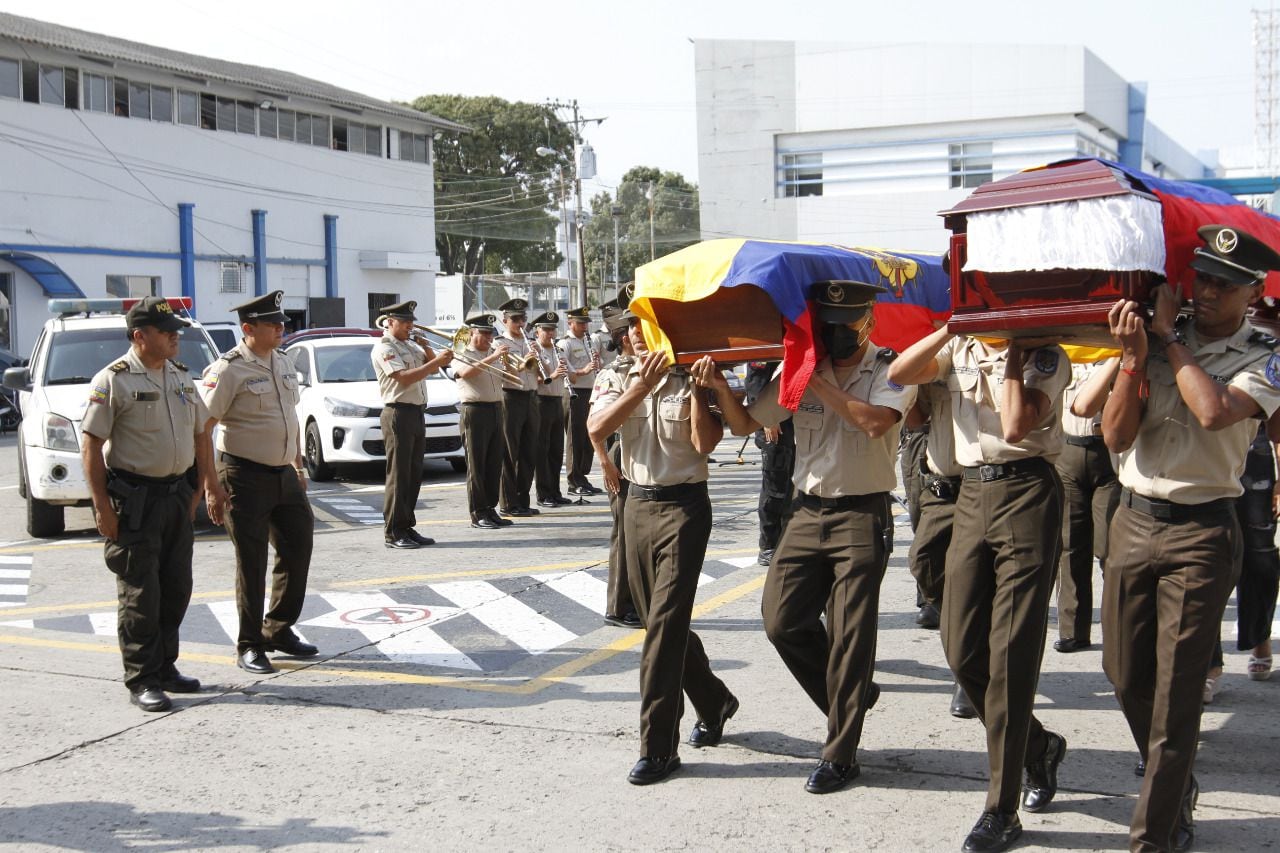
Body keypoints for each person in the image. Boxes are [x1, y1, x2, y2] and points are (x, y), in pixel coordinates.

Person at [1101, 224, 1280, 853]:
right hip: (1132, 519)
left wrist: (1171, 341)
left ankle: (1154, 835)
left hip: (1203, 531)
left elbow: (1212, 412)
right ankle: (1174, 784)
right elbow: (1115, 437)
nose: (1205, 291)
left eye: (1223, 284)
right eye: (1201, 276)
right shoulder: (1148, 342)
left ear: (1254, 292)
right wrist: (1131, 359)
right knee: (1124, 675)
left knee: (1178, 697)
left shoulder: (1265, 352)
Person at [700, 280, 913, 794]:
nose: (834, 336)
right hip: (806, 513)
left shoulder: (891, 368)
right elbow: (746, 423)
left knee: (849, 637)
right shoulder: (796, 368)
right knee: (782, 620)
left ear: (866, 323)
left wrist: (817, 382)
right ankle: (850, 696)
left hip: (862, 515)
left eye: (843, 327)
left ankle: (841, 753)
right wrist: (719, 390)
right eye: (826, 327)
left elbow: (874, 424)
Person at [890, 326, 1071, 853]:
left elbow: (1016, 425)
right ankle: (1039, 744)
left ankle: (1001, 808)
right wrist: (951, 326)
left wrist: (1011, 356)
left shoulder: (1044, 353)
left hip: (1027, 489)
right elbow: (900, 374)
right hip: (972, 493)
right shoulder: (959, 346)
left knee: (1011, 654)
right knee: (960, 646)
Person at [587, 314, 738, 786]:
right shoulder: (615, 375)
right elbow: (597, 426)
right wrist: (640, 387)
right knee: (660, 624)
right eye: (629, 327)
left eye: (645, 325)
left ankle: (657, 747)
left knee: (665, 627)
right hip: (635, 506)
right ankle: (715, 701)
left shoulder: (695, 375)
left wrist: (698, 390)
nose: (635, 333)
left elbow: (705, 442)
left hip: (684, 508)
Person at [81, 296, 217, 711]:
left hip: (176, 495)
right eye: (166, 331)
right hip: (136, 500)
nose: (176, 336)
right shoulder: (113, 380)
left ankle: (166, 666)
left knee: (176, 587)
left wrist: (201, 485)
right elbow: (91, 445)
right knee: (141, 592)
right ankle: (142, 677)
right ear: (140, 336)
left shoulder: (178, 375)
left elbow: (200, 433)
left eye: (176, 330)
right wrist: (102, 506)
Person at [199, 290, 317, 674]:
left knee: (297, 546)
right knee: (251, 561)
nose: (282, 327)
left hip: (283, 473)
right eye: (273, 323)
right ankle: (250, 643)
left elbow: (290, 420)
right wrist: (211, 487)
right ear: (248, 329)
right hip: (242, 475)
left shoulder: (282, 361)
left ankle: (278, 630)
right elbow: (204, 426)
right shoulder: (228, 369)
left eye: (282, 321)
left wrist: (298, 467)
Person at [906, 378, 974, 718]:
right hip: (940, 483)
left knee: (972, 579)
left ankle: (967, 672)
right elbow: (916, 418)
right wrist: (909, 379)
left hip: (983, 482)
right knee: (924, 560)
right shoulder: (934, 362)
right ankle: (968, 646)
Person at [370, 299, 453, 549]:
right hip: (398, 413)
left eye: (411, 322)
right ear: (390, 322)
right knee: (399, 474)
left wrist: (427, 348)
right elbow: (403, 378)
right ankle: (393, 532)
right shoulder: (385, 348)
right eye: (405, 322)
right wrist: (434, 362)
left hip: (416, 412)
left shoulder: (410, 345)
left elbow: (441, 366)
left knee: (414, 473)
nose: (409, 326)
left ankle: (407, 525)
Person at [1053, 358, 1120, 653]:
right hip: (1068, 449)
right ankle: (1073, 629)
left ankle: (1118, 629)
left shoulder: (1120, 354)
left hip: (1109, 455)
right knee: (1070, 545)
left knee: (1111, 549)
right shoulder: (1068, 351)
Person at [589, 300, 639, 628]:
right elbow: (596, 424)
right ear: (623, 337)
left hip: (645, 455)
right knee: (624, 531)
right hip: (622, 454)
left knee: (637, 532)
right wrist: (605, 463)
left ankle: (636, 601)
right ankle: (619, 607)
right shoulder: (614, 373)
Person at [454, 314, 513, 530]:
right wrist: (493, 356)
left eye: (490, 333)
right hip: (474, 410)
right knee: (477, 464)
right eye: (484, 333)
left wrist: (510, 362)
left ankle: (490, 508)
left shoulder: (493, 352)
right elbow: (465, 374)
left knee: (493, 463)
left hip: (497, 408)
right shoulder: (462, 352)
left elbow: (510, 376)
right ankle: (477, 513)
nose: (488, 338)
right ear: (471, 333)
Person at [744, 360, 795, 567]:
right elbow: (755, 383)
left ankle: (785, 539)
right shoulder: (767, 341)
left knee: (791, 485)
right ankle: (768, 545)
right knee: (775, 487)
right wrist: (767, 419)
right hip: (772, 422)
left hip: (792, 420)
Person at [495, 298, 541, 517]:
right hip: (511, 397)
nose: (520, 323)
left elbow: (539, 374)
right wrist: (524, 362)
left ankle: (523, 500)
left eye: (523, 319)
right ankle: (508, 502)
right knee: (510, 452)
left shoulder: (530, 341)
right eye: (515, 319)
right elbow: (505, 374)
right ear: (505, 321)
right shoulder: (499, 344)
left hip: (531, 396)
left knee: (529, 452)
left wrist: (537, 356)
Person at [561, 306, 604, 496]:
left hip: (591, 391)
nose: (584, 326)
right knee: (575, 438)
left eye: (586, 323)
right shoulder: (565, 343)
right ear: (570, 323)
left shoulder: (588, 341)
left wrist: (597, 363)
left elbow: (597, 364)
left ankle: (583, 476)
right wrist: (583, 371)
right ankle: (573, 480)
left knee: (588, 438)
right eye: (580, 323)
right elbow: (566, 372)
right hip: (574, 393)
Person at [531, 311, 571, 508]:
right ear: (537, 331)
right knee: (543, 450)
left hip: (557, 400)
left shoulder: (558, 350)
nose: (550, 333)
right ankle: (543, 493)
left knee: (556, 450)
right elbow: (534, 380)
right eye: (546, 330)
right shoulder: (534, 351)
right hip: (541, 401)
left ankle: (555, 491)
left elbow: (573, 377)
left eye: (553, 329)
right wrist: (554, 375)